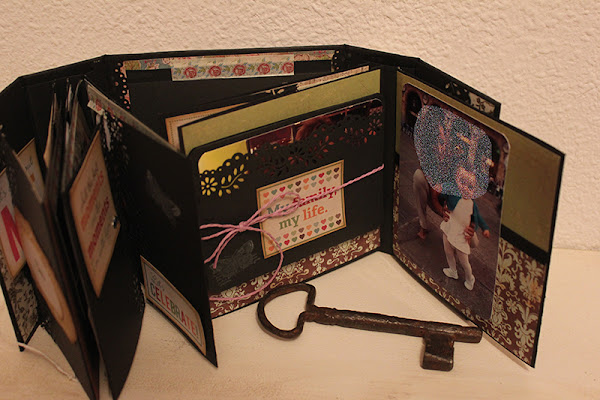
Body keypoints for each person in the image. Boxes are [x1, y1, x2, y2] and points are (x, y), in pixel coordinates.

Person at [438, 193, 489, 290]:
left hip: (461, 234)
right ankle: (452, 270)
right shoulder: (454, 194)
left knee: (464, 261)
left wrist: (485, 228)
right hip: (450, 226)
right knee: (448, 251)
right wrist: (443, 205)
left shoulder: (472, 204)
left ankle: (470, 279)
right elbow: (442, 197)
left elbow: (478, 217)